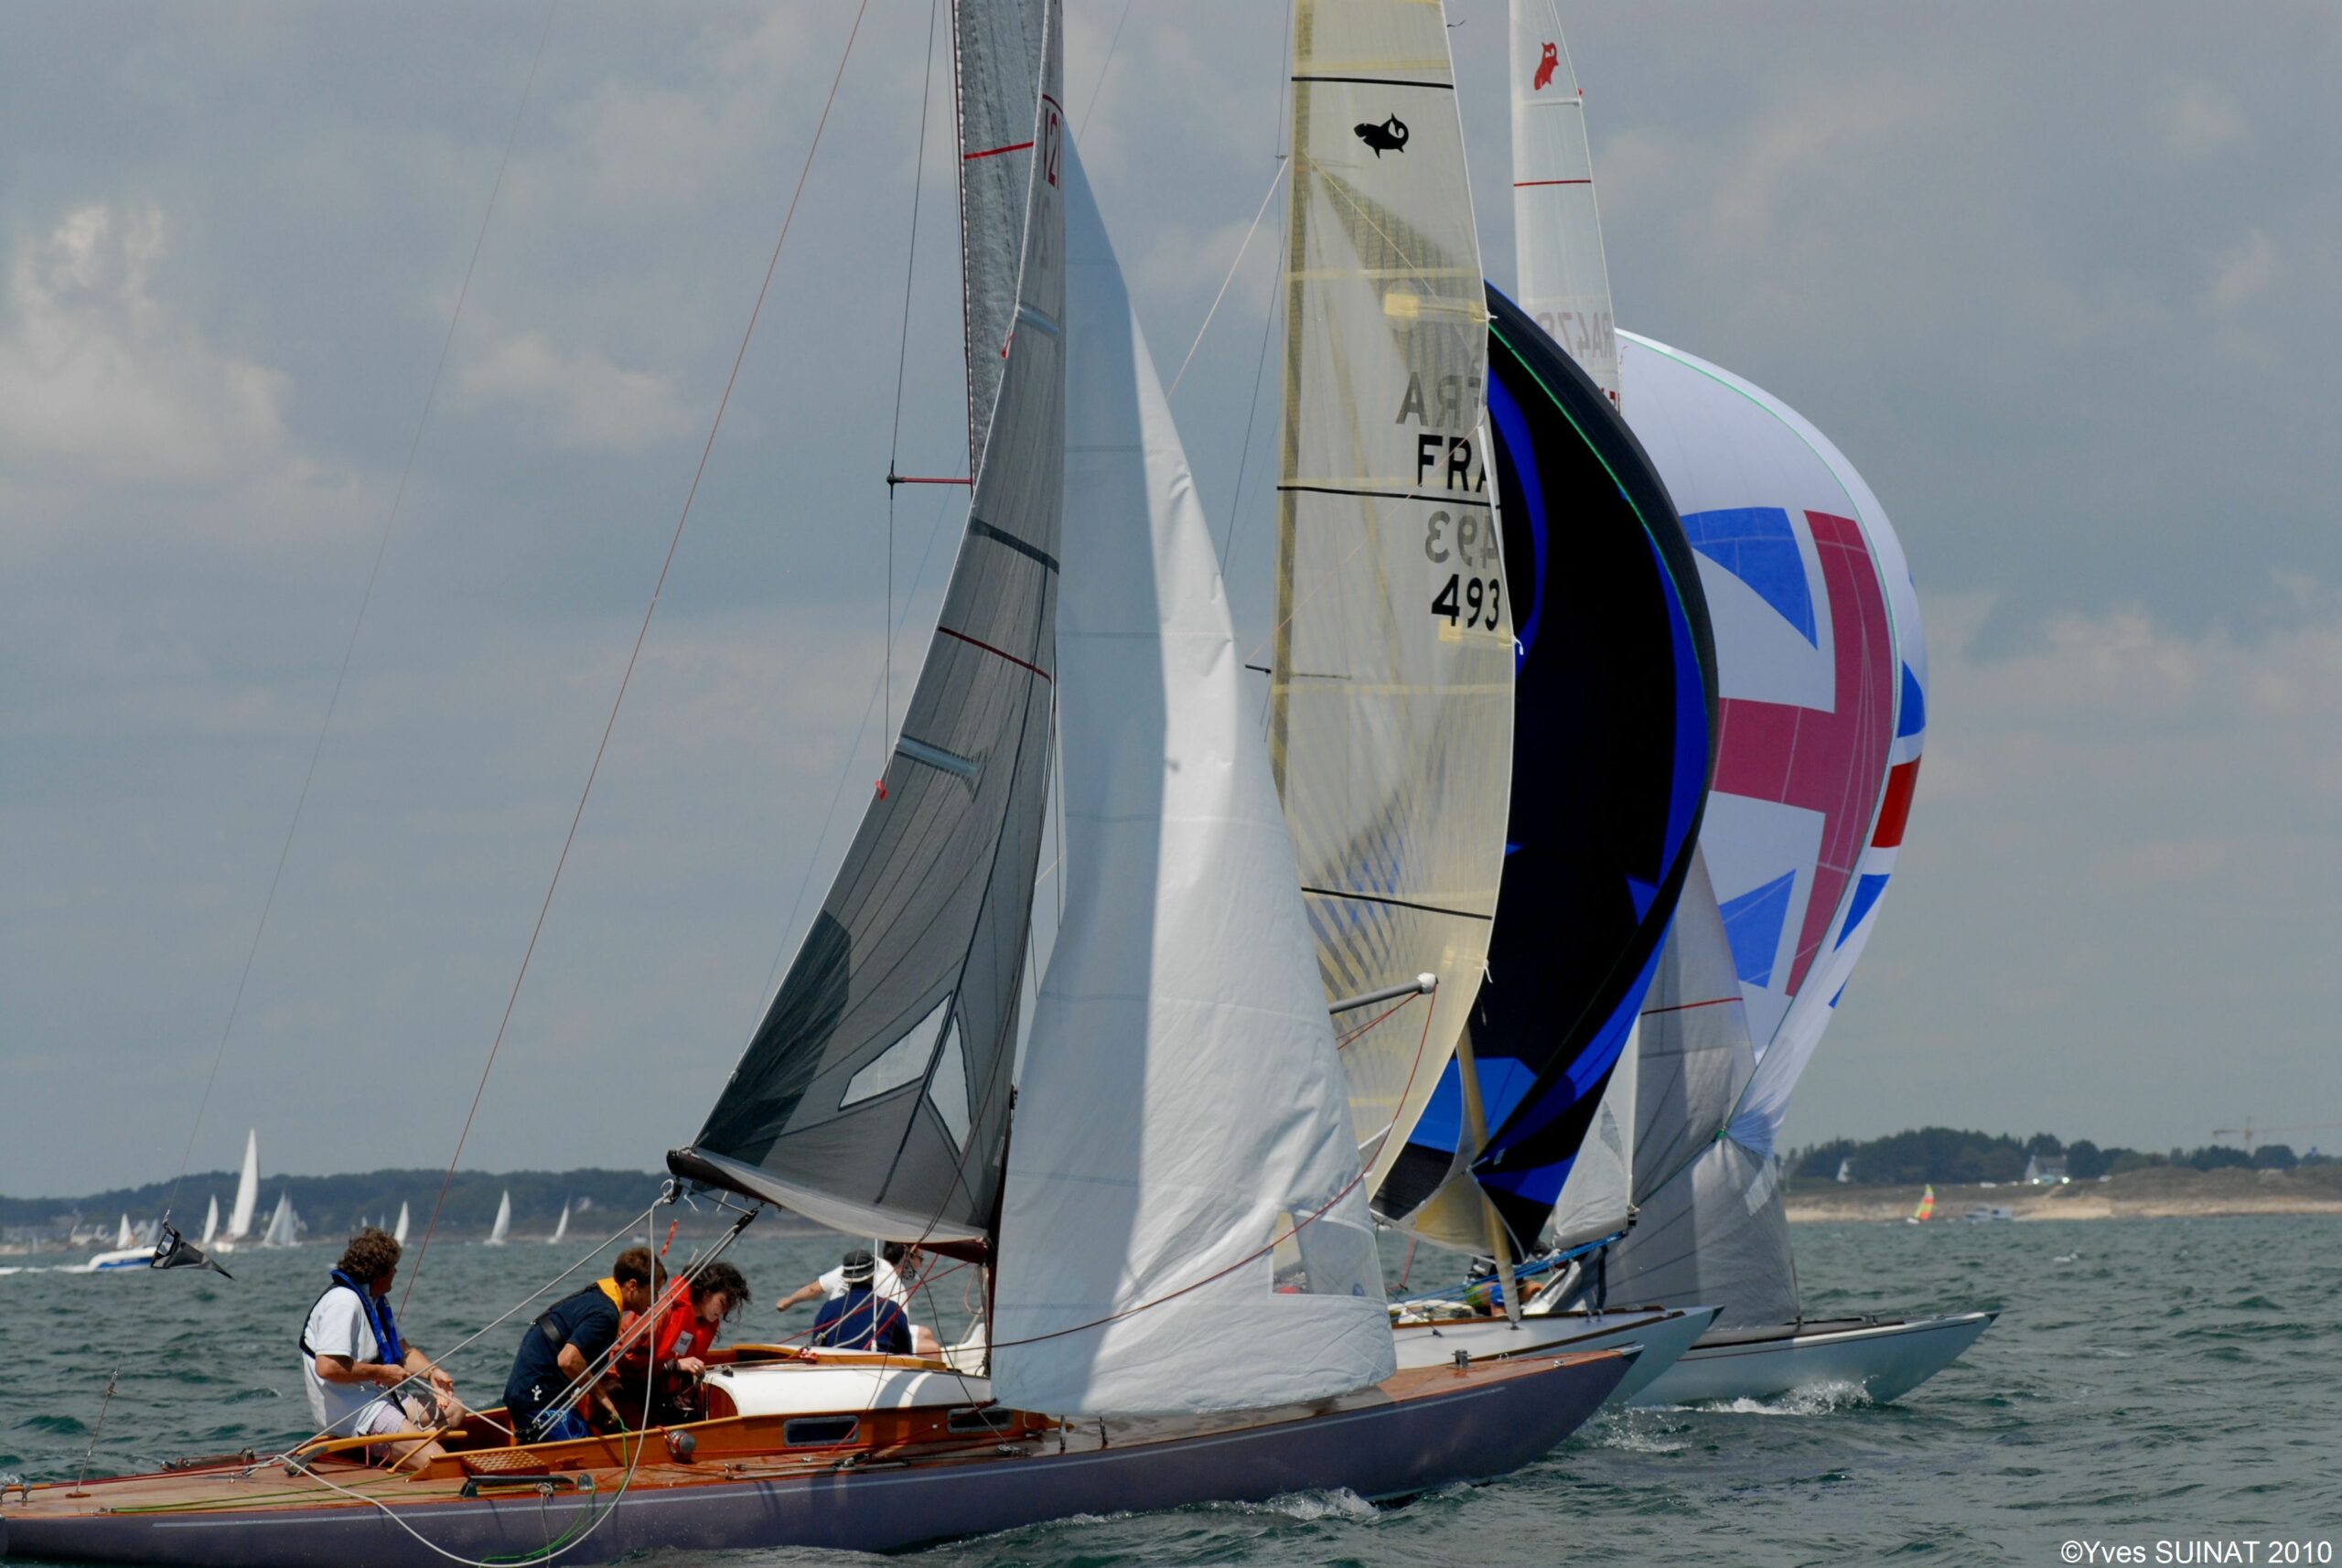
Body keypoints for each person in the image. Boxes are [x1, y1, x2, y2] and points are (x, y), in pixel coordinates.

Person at [299, 1227, 463, 1472]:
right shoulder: (344, 1303)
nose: (396, 1272)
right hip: (355, 1412)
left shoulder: (373, 1301)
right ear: (378, 1274)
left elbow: (404, 1352)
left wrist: (432, 1372)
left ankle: (397, 1448)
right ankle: (400, 1448)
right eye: (392, 1267)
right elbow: (328, 1367)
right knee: (439, 1462)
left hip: (379, 1398)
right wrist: (382, 1373)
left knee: (455, 1410)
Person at [502, 1246, 664, 1444]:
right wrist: (602, 1398)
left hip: (532, 1391)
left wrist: (602, 1385)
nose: (656, 1300)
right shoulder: (606, 1314)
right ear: (632, 1286)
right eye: (653, 1292)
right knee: (585, 1453)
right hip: (537, 1399)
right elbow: (568, 1360)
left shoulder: (601, 1295)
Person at [611, 1261, 750, 1427]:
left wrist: (683, 1390)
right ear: (706, 1293)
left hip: (657, 1396)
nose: (724, 1311)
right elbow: (626, 1360)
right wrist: (674, 1366)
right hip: (624, 1395)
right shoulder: (662, 1311)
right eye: (723, 1303)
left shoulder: (702, 1322)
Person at [809, 1249, 911, 1353]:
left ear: (845, 1278)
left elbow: (816, 1349)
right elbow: (906, 1351)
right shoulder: (892, 1309)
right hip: (879, 1362)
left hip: (836, 1363)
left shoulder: (828, 1309)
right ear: (873, 1275)